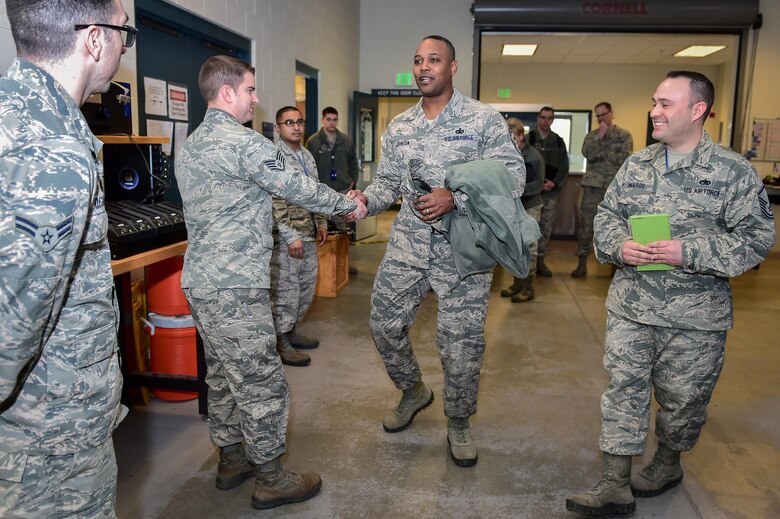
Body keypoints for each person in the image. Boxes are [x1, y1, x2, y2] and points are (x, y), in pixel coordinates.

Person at [566, 71, 775, 517]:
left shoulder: (733, 171)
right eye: (653, 103)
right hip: (632, 304)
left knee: (684, 401)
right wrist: (619, 245)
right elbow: (607, 216)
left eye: (665, 104)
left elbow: (756, 240)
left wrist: (689, 251)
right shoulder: (637, 164)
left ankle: (667, 463)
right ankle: (614, 482)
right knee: (623, 391)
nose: (653, 112)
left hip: (696, 316)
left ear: (697, 110)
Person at [176, 55, 366, 510]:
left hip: (201, 282)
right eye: (249, 90)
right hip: (237, 286)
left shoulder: (190, 145)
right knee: (262, 381)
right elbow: (297, 186)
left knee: (222, 376)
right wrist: (347, 206)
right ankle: (271, 478)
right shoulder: (244, 143)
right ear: (227, 93)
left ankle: (231, 461)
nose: (255, 98)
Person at [348, 35, 524, 468]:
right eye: (417, 61)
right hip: (408, 243)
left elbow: (512, 177)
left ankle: (459, 421)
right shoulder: (401, 126)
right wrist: (366, 201)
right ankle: (413, 391)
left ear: (452, 67)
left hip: (464, 248)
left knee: (460, 344)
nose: (424, 67)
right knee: (384, 325)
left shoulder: (482, 119)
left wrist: (456, 198)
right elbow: (387, 183)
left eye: (433, 60)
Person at [0, 0, 133, 516]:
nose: (124, 47)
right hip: (47, 449)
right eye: (125, 34)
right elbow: (8, 335)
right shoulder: (51, 152)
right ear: (94, 40)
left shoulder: (16, 115)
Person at [270, 106, 329, 367]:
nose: (296, 127)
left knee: (306, 287)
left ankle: (291, 330)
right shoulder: (274, 157)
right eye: (289, 122)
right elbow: (274, 199)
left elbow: (316, 191)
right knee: (286, 290)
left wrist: (321, 222)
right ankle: (280, 340)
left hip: (308, 233)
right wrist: (289, 234)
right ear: (278, 128)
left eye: (299, 122)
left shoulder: (307, 155)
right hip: (287, 238)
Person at [572, 102, 633, 278]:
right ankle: (582, 263)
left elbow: (625, 159)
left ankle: (615, 266)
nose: (601, 118)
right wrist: (600, 137)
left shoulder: (624, 135)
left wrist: (602, 154)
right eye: (597, 115)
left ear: (612, 113)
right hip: (593, 188)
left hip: (615, 190)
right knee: (586, 227)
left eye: (603, 114)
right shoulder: (592, 136)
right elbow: (588, 154)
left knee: (618, 226)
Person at [306, 107, 361, 273]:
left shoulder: (346, 140)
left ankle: (343, 266)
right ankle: (325, 269)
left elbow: (353, 163)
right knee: (322, 228)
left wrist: (352, 182)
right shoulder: (313, 141)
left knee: (342, 229)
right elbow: (308, 166)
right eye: (328, 119)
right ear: (323, 120)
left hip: (342, 191)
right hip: (322, 192)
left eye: (334, 119)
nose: (331, 123)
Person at [500, 119, 545, 303]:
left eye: (513, 138)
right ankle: (517, 283)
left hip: (530, 206)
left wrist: (514, 190)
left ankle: (528, 287)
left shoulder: (533, 157)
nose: (510, 142)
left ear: (521, 136)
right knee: (515, 246)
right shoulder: (507, 155)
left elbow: (537, 185)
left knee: (529, 246)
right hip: (513, 207)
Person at [528, 106, 569, 277]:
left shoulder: (558, 141)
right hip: (531, 193)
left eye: (549, 118)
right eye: (543, 117)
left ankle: (540, 261)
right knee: (530, 227)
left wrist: (555, 183)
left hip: (550, 193)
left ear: (553, 120)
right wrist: (537, 185)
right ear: (538, 118)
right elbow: (522, 164)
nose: (546, 121)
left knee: (545, 227)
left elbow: (564, 166)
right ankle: (527, 263)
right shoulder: (528, 138)